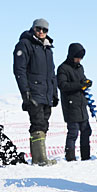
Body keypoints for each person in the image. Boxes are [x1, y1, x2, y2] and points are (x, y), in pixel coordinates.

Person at [13, 19, 59, 166]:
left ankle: (38, 157)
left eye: (44, 30)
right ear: (33, 29)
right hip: (33, 92)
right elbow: (19, 70)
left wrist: (55, 94)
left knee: (44, 124)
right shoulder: (25, 44)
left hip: (46, 93)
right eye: (38, 29)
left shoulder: (48, 49)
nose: (41, 32)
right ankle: (40, 159)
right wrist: (25, 92)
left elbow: (52, 74)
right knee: (37, 123)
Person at [57, 43, 92, 161]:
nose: (79, 60)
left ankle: (86, 156)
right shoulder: (63, 68)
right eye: (77, 57)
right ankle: (70, 158)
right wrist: (80, 85)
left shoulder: (80, 68)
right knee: (73, 133)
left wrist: (87, 82)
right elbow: (62, 85)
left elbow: (82, 80)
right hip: (71, 106)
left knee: (86, 131)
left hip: (82, 105)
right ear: (71, 55)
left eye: (81, 58)